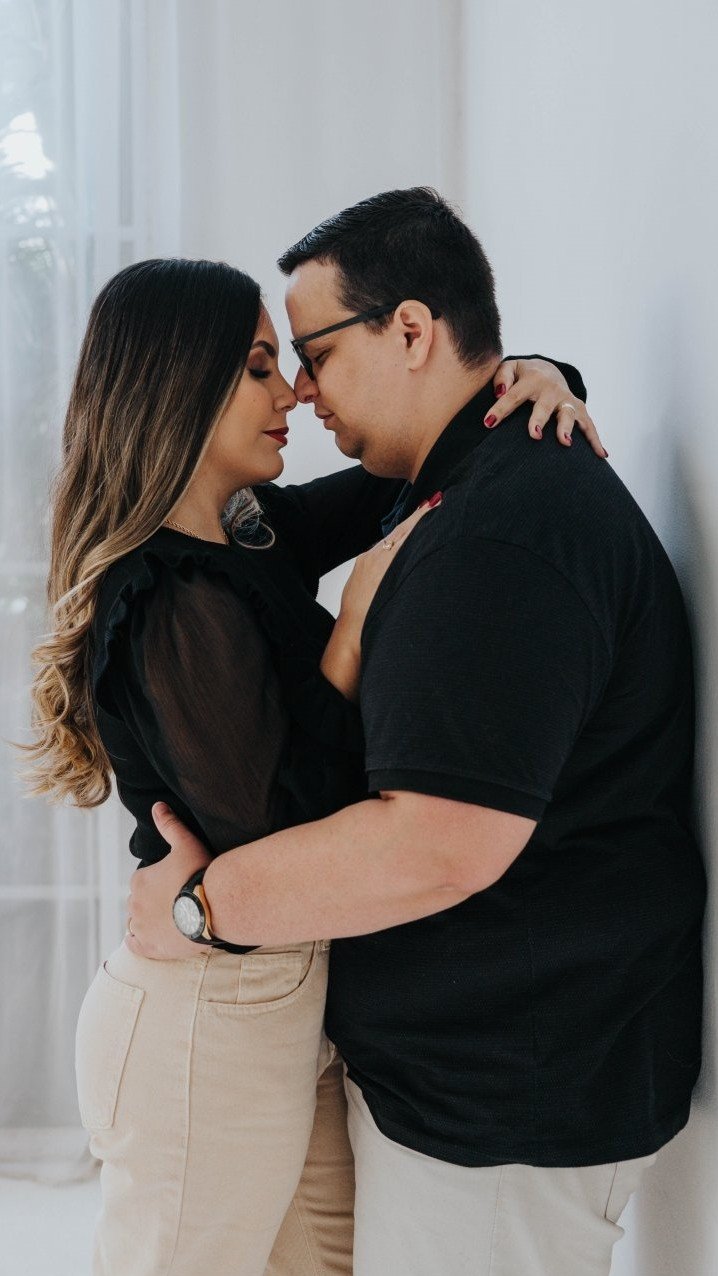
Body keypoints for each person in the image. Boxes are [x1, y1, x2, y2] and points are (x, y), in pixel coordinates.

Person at [130, 189, 706, 1276]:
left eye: (311, 355)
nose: (301, 391)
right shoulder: (447, 485)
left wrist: (200, 907)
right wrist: (525, 377)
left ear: (409, 330)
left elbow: (437, 844)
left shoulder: (496, 532)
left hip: (503, 1101)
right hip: (472, 1075)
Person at [24, 253, 599, 1276]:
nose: (292, 392)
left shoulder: (250, 536)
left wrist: (540, 375)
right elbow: (287, 823)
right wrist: (352, 632)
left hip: (278, 992)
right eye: (258, 368)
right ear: (180, 385)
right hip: (209, 1011)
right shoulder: (169, 597)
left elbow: (413, 457)